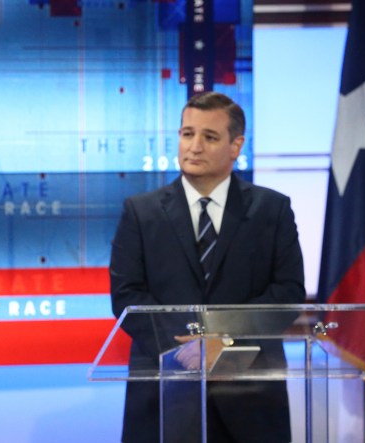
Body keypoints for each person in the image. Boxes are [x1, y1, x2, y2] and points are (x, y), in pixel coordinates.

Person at [109, 91, 305, 442]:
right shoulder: (140, 212)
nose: (194, 146)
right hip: (164, 395)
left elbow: (287, 293)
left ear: (236, 146)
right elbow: (127, 297)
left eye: (209, 137)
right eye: (187, 134)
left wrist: (225, 341)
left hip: (251, 397)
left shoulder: (271, 210)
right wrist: (190, 348)